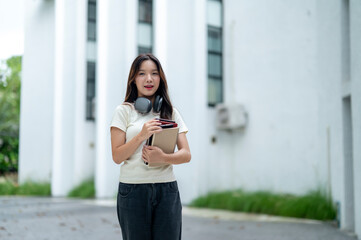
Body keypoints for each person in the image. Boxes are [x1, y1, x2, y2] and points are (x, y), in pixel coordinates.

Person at [110, 53, 191, 240]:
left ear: (160, 78)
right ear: (133, 79)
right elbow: (117, 156)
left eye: (154, 73)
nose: (149, 79)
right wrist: (142, 135)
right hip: (133, 191)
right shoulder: (123, 111)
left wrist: (162, 158)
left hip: (167, 190)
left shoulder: (170, 112)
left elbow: (186, 154)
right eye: (142, 74)